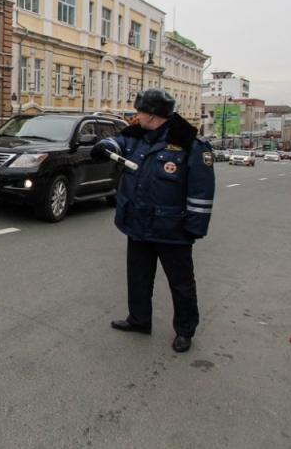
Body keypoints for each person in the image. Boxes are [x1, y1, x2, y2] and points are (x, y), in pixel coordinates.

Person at [91, 89, 215, 353]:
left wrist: (194, 227)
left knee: (181, 284)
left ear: (151, 114)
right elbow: (120, 143)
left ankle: (184, 331)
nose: (136, 116)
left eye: (139, 112)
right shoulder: (139, 136)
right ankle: (139, 320)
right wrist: (105, 147)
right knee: (138, 278)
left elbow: (202, 191)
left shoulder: (190, 143)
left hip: (173, 229)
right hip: (137, 223)